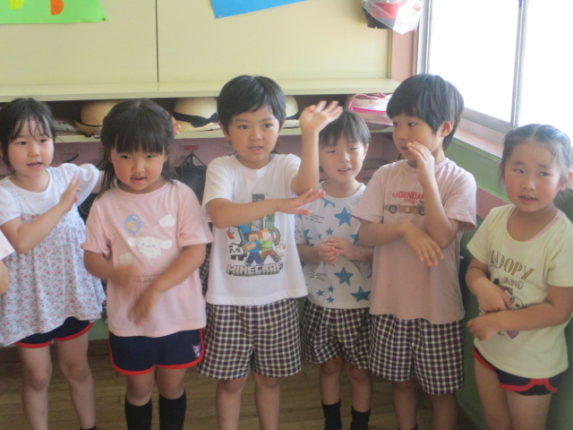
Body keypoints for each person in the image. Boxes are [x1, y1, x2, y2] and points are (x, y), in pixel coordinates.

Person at [199, 74, 342, 430]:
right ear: (225, 130)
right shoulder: (222, 167)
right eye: (243, 126)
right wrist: (278, 204)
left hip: (277, 295)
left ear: (280, 126)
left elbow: (306, 187)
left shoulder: (287, 164)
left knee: (270, 380)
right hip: (228, 298)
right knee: (231, 383)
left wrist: (311, 134)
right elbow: (221, 215)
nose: (256, 136)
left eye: (266, 124)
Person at [353, 73, 477, 430]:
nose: (402, 134)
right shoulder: (386, 175)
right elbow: (366, 234)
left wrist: (427, 179)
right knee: (401, 384)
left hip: (438, 308)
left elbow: (441, 237)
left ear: (444, 128)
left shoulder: (459, 179)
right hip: (390, 303)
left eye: (413, 123)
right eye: (396, 124)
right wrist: (405, 229)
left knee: (440, 392)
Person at [82, 99, 212, 430]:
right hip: (130, 320)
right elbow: (91, 257)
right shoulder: (105, 204)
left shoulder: (181, 195)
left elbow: (195, 252)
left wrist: (156, 288)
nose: (138, 167)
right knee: (138, 391)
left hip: (179, 317)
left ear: (166, 153)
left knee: (172, 388)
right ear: (109, 153)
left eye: (150, 155)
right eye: (126, 156)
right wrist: (112, 271)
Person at [0, 98, 105, 430]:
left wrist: (149, 134)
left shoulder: (69, 176)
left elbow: (120, 173)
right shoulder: (4, 194)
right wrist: (62, 206)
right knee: (38, 376)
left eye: (43, 140)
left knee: (77, 369)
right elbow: (23, 240)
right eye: (21, 142)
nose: (35, 151)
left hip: (70, 294)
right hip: (29, 301)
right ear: (3, 148)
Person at [465, 124, 573, 430]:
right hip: (489, 349)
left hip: (533, 363)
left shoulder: (563, 239)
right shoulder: (496, 218)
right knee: (494, 420)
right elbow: (475, 269)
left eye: (543, 173)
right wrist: (482, 286)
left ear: (565, 179)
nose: (529, 184)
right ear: (503, 170)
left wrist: (499, 321)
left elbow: (559, 310)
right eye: (519, 170)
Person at [295, 110, 374, 430]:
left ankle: (360, 424)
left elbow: (385, 255)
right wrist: (316, 252)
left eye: (353, 148)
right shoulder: (307, 199)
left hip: (363, 305)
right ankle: (332, 423)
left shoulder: (372, 199)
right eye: (331, 150)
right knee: (328, 368)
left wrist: (355, 252)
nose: (344, 158)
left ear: (366, 150)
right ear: (317, 155)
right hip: (320, 303)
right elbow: (296, 251)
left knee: (360, 372)